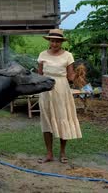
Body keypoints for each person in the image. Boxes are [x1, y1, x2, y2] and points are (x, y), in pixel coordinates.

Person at [37, 29, 82, 164]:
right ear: (49, 41)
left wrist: (78, 75)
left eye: (57, 41)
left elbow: (70, 77)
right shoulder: (42, 55)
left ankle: (62, 153)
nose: (54, 44)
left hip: (62, 89)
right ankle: (49, 153)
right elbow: (39, 75)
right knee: (46, 121)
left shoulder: (68, 56)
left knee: (63, 119)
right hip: (46, 89)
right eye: (52, 41)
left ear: (61, 42)